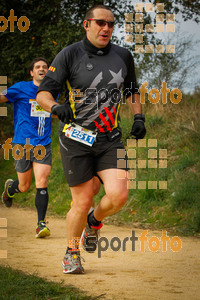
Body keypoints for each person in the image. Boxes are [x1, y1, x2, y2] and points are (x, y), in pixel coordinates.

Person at [36, 4, 146, 274]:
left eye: (110, 24)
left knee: (119, 195)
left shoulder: (123, 55)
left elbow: (132, 90)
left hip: (111, 138)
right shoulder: (69, 54)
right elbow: (43, 93)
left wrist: (139, 117)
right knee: (83, 199)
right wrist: (54, 107)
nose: (106, 28)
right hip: (77, 137)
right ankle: (71, 253)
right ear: (87, 24)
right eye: (100, 23)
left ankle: (93, 223)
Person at [1, 57, 55, 238]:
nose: (42, 69)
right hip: (22, 143)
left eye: (45, 67)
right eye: (37, 67)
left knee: (42, 181)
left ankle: (41, 224)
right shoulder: (21, 88)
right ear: (32, 72)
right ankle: (9, 190)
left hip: (43, 143)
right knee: (24, 186)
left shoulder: (52, 90)